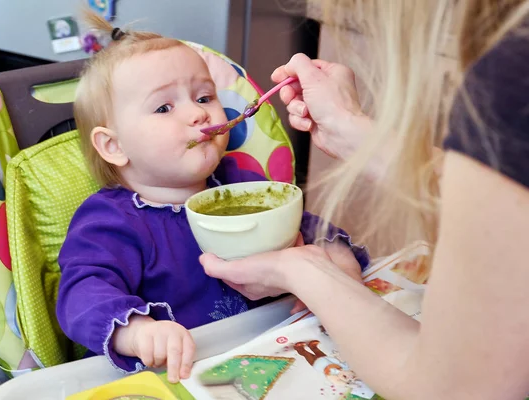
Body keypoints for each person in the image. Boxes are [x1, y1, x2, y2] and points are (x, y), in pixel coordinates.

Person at [200, 0, 529, 398]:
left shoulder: (514, 74)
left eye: (202, 98)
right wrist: (351, 129)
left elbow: (459, 388)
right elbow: (498, 197)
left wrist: (307, 270)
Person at [55, 12, 369, 384]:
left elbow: (302, 225)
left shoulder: (240, 184)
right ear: (114, 145)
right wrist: (136, 331)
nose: (198, 113)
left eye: (204, 96)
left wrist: (335, 255)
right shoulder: (108, 222)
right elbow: (80, 293)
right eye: (164, 108)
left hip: (271, 357)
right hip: (176, 376)